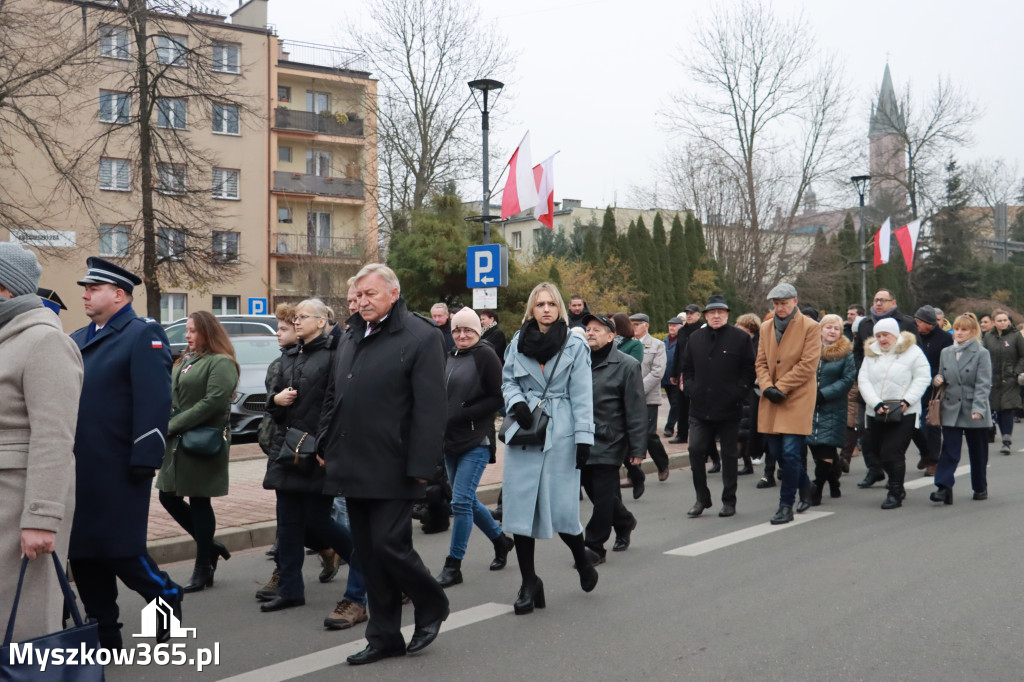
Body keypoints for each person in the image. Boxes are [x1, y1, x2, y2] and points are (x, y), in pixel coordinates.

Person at [318, 264, 449, 665]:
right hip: (352, 461)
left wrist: (423, 467)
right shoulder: (351, 336)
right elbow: (333, 395)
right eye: (357, 296)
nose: (361, 302)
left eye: (370, 294)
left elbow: (430, 408)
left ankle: (432, 602)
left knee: (390, 545)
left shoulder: (420, 336)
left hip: (396, 463)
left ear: (393, 293)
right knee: (368, 553)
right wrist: (324, 441)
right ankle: (384, 636)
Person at [69, 257, 180, 650]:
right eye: (85, 288)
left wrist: (146, 456)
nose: (85, 294)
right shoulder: (78, 338)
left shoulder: (141, 333)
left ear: (119, 295)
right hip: (80, 466)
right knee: (82, 553)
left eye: (93, 288)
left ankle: (164, 597)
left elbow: (154, 398)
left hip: (120, 465)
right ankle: (104, 632)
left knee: (120, 550)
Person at [0, 244, 83, 642]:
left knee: (24, 626)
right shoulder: (6, 339)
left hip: (19, 506)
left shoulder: (45, 341)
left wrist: (40, 518)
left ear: (6, 288)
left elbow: (54, 436)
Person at [259, 299, 361, 618]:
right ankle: (290, 590)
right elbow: (273, 404)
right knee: (288, 525)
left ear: (321, 321)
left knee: (319, 522)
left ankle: (367, 565)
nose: (296, 321)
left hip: (317, 451)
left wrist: (327, 447)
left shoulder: (337, 354)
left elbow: (341, 404)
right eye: (296, 317)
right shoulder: (291, 354)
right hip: (288, 451)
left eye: (303, 317)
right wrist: (276, 400)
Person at [502, 282, 596, 616]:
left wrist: (585, 437)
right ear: (532, 308)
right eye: (540, 304)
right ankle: (529, 583)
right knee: (521, 510)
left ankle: (582, 561)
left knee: (562, 510)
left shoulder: (574, 343)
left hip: (563, 430)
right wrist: (516, 403)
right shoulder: (518, 340)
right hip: (527, 430)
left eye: (551, 304)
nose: (545, 309)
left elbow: (583, 393)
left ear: (559, 309)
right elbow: (508, 380)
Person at [156, 312, 238, 593]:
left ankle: (203, 564)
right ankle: (210, 546)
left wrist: (173, 424)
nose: (187, 336)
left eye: (193, 331)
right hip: (178, 441)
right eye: (187, 331)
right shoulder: (187, 360)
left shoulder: (221, 362)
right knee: (167, 495)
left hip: (202, 440)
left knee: (200, 500)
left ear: (208, 332)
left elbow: (213, 403)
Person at [434, 307, 514, 588]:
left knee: (460, 502)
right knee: (465, 499)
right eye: (457, 330)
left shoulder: (485, 355)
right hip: (449, 440)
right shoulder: (449, 356)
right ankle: (501, 540)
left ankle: (453, 565)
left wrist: (467, 411)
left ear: (477, 331)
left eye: (467, 329)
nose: (461, 334)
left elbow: (498, 396)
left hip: (475, 440)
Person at [680, 295, 755, 518]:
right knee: (695, 450)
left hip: (729, 408)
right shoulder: (695, 338)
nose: (716, 316)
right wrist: (690, 388)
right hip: (700, 407)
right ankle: (702, 498)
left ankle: (729, 500)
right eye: (712, 313)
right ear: (705, 315)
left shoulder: (740, 338)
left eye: (720, 312)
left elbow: (749, 370)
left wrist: (738, 392)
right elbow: (687, 367)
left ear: (727, 315)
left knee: (730, 455)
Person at [581, 312, 646, 561]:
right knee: (598, 495)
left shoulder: (627, 365)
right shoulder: (579, 363)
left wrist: (637, 449)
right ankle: (625, 521)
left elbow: (636, 410)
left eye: (598, 329)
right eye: (588, 328)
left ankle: (594, 546)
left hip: (611, 440)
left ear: (612, 336)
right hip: (583, 439)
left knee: (603, 496)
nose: (590, 332)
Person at [756, 283, 821, 525]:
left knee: (791, 452)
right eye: (776, 304)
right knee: (776, 452)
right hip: (772, 396)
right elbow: (761, 361)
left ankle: (786, 506)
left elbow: (808, 364)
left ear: (795, 301)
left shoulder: (811, 327)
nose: (780, 308)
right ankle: (806, 486)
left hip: (797, 397)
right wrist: (766, 387)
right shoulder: (765, 327)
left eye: (783, 303)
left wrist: (780, 387)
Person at [858, 318, 931, 510]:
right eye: (879, 335)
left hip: (904, 412)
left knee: (893, 452)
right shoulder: (871, 353)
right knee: (879, 452)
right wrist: (876, 403)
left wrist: (907, 401)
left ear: (895, 334)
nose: (882, 339)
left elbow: (923, 377)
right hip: (876, 411)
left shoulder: (912, 352)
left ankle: (895, 492)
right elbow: (863, 380)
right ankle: (894, 481)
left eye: (886, 335)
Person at [854, 289, 920, 489]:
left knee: (893, 450)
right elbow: (859, 356)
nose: (879, 303)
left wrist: (907, 400)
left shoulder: (907, 326)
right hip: (874, 402)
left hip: (903, 405)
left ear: (893, 302)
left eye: (883, 300)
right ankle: (874, 469)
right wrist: (873, 399)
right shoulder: (866, 326)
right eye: (876, 300)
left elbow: (921, 373)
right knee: (870, 441)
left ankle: (896, 488)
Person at [930, 313, 992, 504]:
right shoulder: (946, 352)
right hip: (951, 407)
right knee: (949, 450)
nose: (959, 333)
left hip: (974, 407)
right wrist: (938, 380)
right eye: (957, 329)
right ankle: (943, 487)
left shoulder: (981, 353)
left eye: (964, 330)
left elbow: (984, 383)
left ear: (973, 332)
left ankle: (980, 486)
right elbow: (942, 374)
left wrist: (979, 409)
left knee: (978, 451)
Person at [806, 315, 855, 505]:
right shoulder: (809, 349)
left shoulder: (846, 353)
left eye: (836, 328)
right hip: (809, 407)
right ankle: (834, 480)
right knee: (815, 448)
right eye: (828, 327)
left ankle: (817, 488)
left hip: (832, 406)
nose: (832, 331)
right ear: (820, 330)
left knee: (826, 447)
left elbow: (847, 379)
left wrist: (824, 394)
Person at [630, 313, 671, 481]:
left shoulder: (657, 345)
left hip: (647, 397)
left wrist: (637, 389)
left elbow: (657, 372)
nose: (633, 327)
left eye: (637, 324)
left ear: (646, 325)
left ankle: (662, 464)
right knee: (632, 435)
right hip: (628, 398)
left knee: (648, 435)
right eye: (631, 324)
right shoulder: (627, 344)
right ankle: (635, 474)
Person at [912, 305, 953, 475]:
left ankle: (934, 461)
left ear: (929, 323)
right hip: (914, 385)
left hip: (934, 387)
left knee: (932, 424)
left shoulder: (945, 339)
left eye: (919, 322)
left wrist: (937, 377)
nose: (917, 325)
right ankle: (925, 452)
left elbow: (947, 363)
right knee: (913, 425)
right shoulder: (913, 337)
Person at [982, 309, 1024, 456]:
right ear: (994, 322)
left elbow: (1022, 356)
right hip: (993, 379)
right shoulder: (988, 336)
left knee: (1007, 408)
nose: (1003, 323)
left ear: (1009, 321)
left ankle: (1006, 439)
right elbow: (984, 355)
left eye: (1005, 320)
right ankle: (1003, 433)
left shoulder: (1016, 335)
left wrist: (1016, 371)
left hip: (1010, 378)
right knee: (997, 408)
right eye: (999, 320)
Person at [669, 304, 705, 443]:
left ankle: (703, 436)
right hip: (683, 372)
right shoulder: (682, 331)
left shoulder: (704, 329)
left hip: (699, 373)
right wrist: (674, 373)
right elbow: (678, 352)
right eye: (687, 313)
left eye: (692, 313)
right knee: (681, 405)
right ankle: (681, 434)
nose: (689, 315)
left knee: (698, 404)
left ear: (698, 315)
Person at [662, 316, 684, 437]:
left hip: (677, 378)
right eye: (670, 325)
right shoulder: (664, 341)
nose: (671, 327)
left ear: (680, 327)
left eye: (674, 325)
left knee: (676, 404)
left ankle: (669, 428)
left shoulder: (682, 341)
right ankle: (683, 424)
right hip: (665, 378)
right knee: (674, 404)